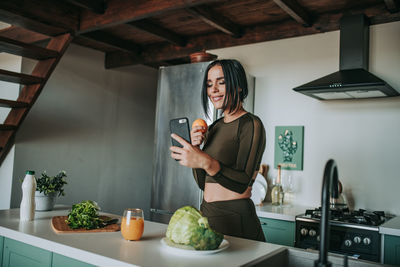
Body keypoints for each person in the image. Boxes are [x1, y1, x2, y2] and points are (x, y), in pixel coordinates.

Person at [170, 59, 266, 242]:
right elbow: (203, 183)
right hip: (207, 214)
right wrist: (196, 151)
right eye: (209, 84)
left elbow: (242, 183)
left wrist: (205, 160)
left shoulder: (251, 124)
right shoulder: (214, 127)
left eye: (221, 82)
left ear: (238, 86)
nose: (213, 90)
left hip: (236, 218)